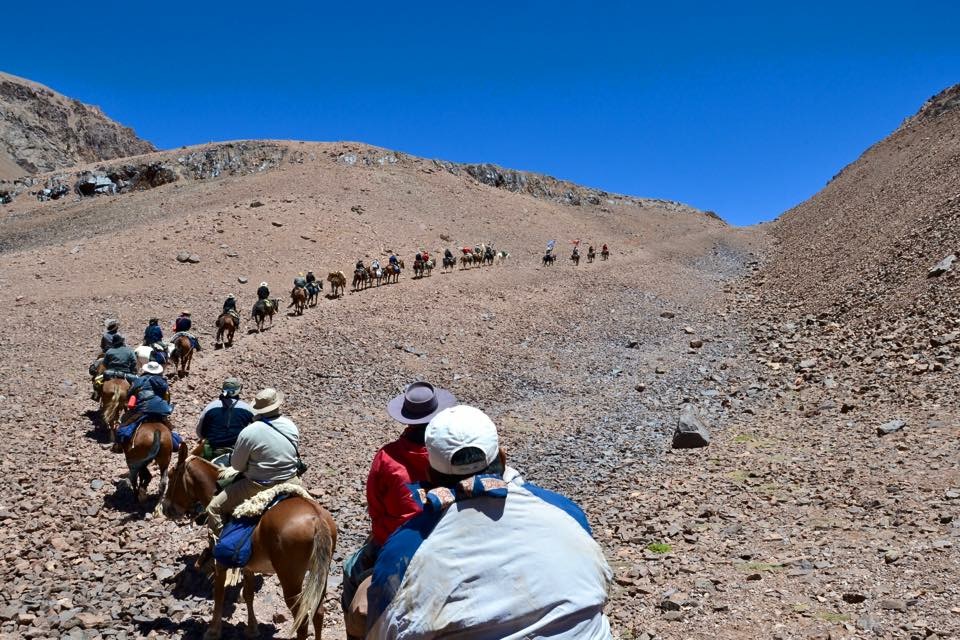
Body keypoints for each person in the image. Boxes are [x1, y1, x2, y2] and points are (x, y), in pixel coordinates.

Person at [366, 406, 613, 639]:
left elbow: (383, 631)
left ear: (430, 474)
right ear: (503, 459)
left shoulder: (406, 549)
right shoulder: (565, 511)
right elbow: (601, 582)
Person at [341, 382, 456, 627]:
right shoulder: (447, 451)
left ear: (407, 419)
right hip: (445, 534)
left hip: (394, 539)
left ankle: (353, 630)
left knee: (351, 570)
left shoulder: (387, 456)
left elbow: (375, 505)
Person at [206, 388, 303, 543]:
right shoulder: (291, 425)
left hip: (258, 485)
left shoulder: (249, 432)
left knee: (214, 507)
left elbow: (237, 466)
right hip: (291, 481)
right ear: (277, 405)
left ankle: (222, 546)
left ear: (259, 409)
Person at [113, 361, 178, 452]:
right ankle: (175, 443)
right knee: (170, 428)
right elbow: (167, 397)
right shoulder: (163, 382)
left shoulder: (139, 380)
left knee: (123, 421)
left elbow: (130, 393)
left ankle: (118, 445)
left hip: (143, 409)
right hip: (161, 410)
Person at [195, 378, 256, 460]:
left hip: (213, 449)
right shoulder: (247, 409)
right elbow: (255, 431)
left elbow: (200, 432)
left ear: (222, 390)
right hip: (237, 452)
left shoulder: (210, 407)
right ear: (239, 390)